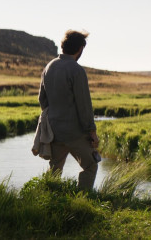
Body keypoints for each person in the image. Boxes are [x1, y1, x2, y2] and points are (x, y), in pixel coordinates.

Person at [37, 30, 99, 190]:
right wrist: (91, 131)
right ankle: (83, 200)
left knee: (55, 169)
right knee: (90, 165)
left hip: (55, 131)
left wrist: (54, 116)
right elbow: (84, 105)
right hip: (74, 133)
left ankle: (49, 200)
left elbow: (42, 99)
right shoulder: (76, 70)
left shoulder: (49, 67)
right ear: (80, 49)